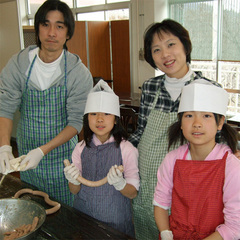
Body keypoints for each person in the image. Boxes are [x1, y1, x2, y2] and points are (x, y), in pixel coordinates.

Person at [128, 19, 222, 240]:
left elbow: (218, 139)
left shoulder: (208, 88)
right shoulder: (151, 87)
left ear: (185, 46)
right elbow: (141, 131)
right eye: (157, 50)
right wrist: (117, 148)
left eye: (171, 45)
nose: (165, 55)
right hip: (148, 183)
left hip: (187, 187)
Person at [0, 0, 93, 206]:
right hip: (26, 155)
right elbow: (5, 107)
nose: (52, 32)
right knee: (32, 206)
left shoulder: (77, 72)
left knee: (64, 211)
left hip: (63, 158)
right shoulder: (19, 64)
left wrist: (42, 150)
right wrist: (5, 147)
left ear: (68, 33)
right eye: (45, 24)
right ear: (38, 29)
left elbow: (76, 122)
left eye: (59, 26)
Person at [153, 82, 240, 240]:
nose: (197, 124)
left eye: (206, 116)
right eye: (189, 115)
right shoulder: (172, 159)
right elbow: (160, 203)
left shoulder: (231, 166)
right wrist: (165, 233)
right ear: (181, 123)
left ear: (220, 123)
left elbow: (235, 226)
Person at [63, 80, 139, 237]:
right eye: (93, 114)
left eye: (106, 113)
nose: (99, 119)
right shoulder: (80, 148)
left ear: (116, 119)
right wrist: (73, 180)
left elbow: (132, 193)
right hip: (83, 216)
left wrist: (120, 184)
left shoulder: (127, 149)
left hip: (115, 221)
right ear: (87, 118)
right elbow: (74, 190)